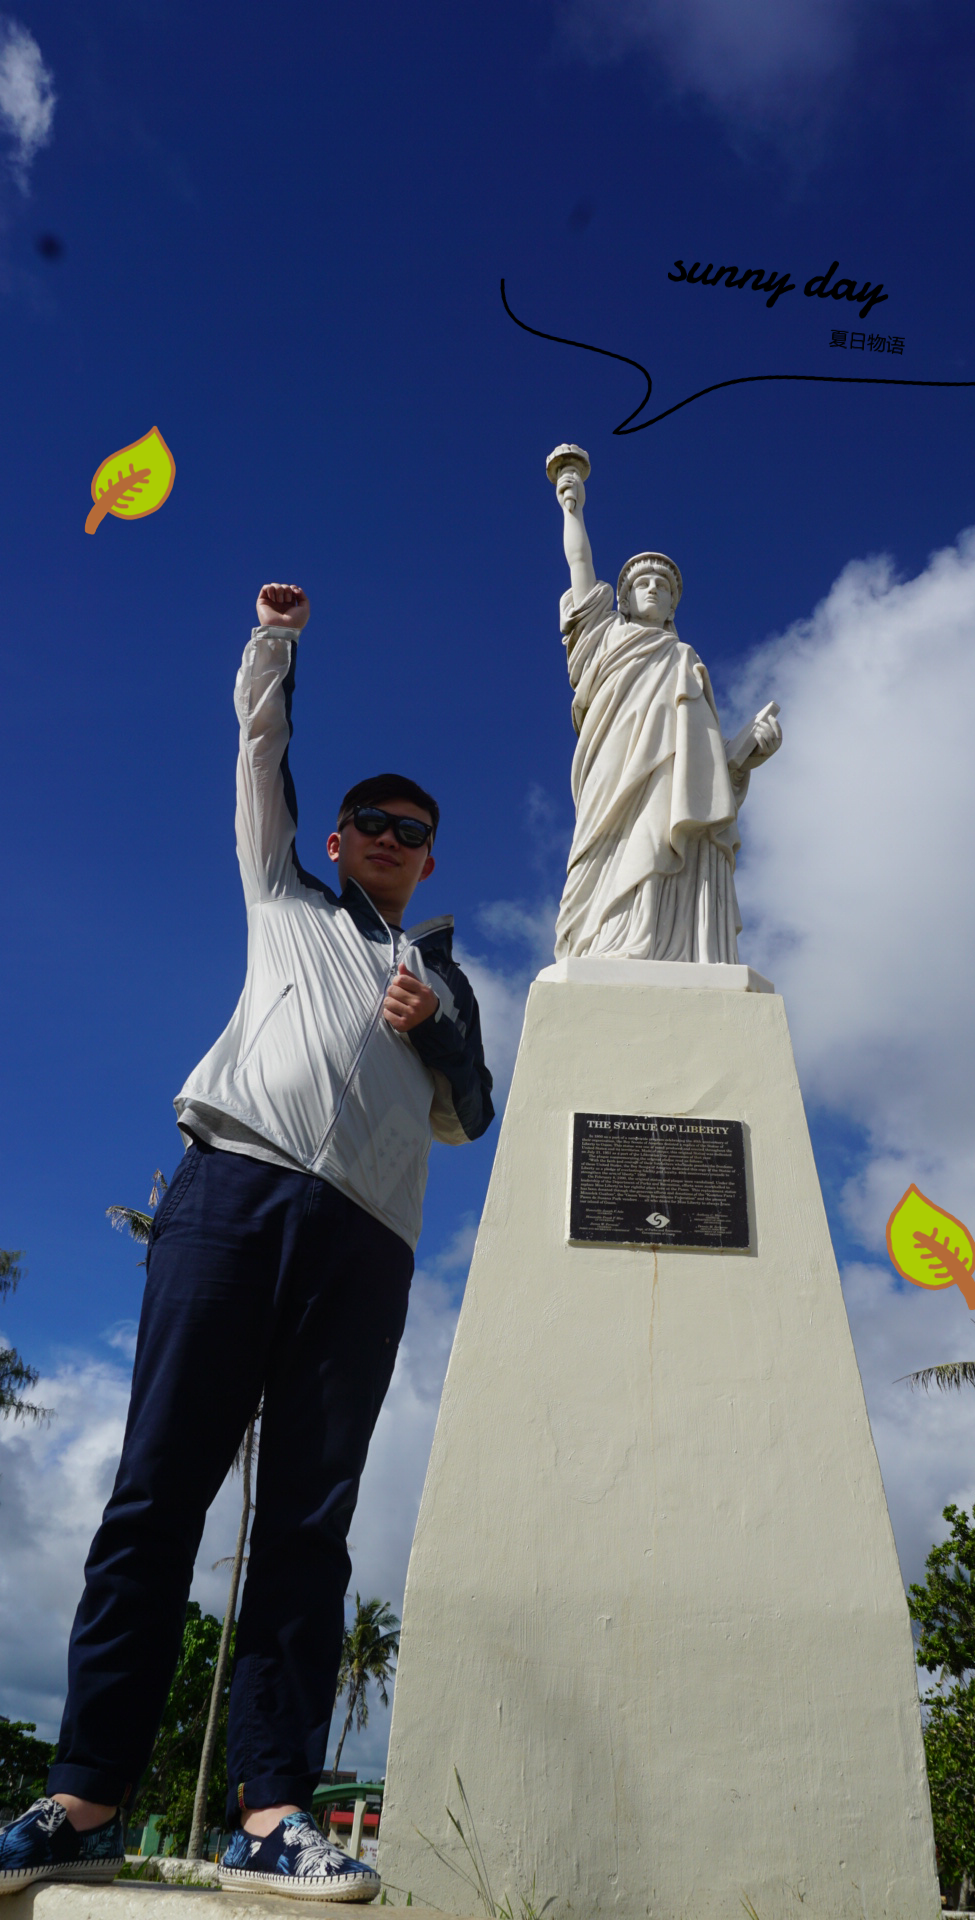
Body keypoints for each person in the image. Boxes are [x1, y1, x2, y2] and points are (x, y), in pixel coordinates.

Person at [0, 584, 493, 1901]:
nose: (394, 840)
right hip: (231, 1194)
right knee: (157, 1494)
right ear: (341, 838)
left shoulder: (445, 974)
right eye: (376, 823)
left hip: (369, 1243)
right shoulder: (284, 899)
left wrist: (434, 1029)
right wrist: (277, 644)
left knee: (308, 1531)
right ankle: (83, 1795)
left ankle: (271, 1813)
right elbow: (258, 756)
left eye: (416, 832)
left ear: (431, 859)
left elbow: (474, 1116)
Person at [551, 458, 782, 964]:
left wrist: (744, 756)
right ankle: (602, 938)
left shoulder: (685, 659)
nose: (653, 588)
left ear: (674, 606)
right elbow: (580, 565)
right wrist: (573, 506)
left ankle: (668, 946)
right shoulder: (604, 637)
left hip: (672, 778)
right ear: (626, 600)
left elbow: (703, 764)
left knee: (670, 830)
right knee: (607, 846)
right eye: (642, 584)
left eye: (664, 586)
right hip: (613, 765)